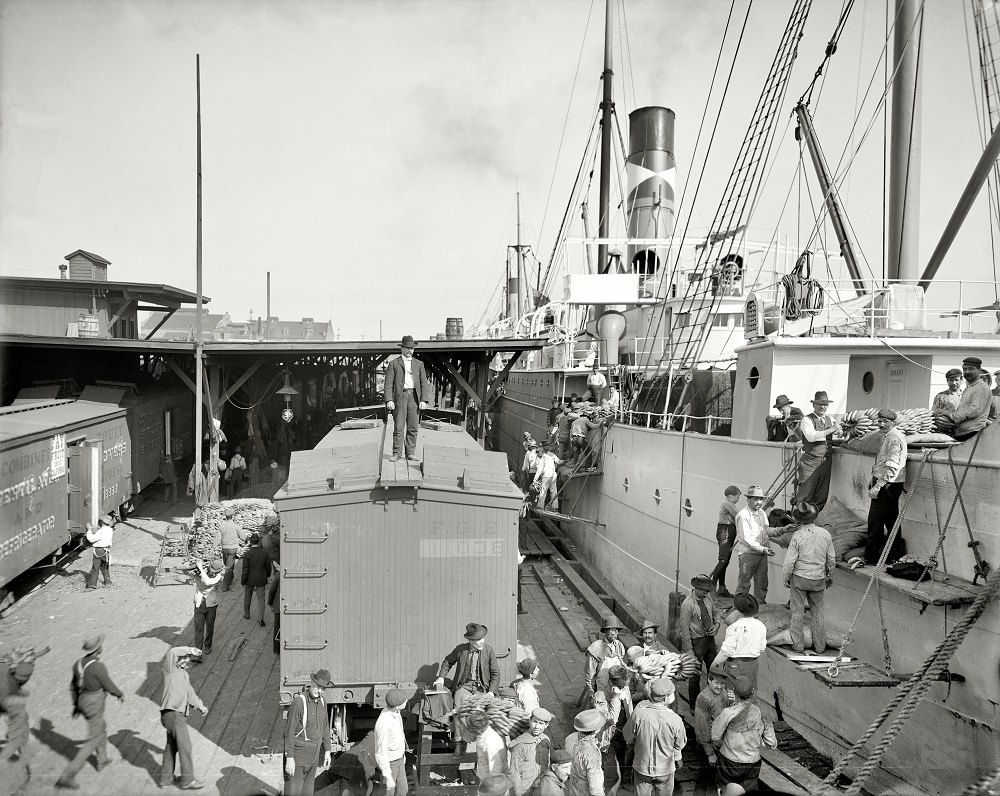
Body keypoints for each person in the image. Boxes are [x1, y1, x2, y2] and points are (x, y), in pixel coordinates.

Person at [56, 635, 124, 790]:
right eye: (100, 645)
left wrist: (76, 705)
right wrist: (119, 693)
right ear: (97, 650)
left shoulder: (78, 664)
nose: (102, 646)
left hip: (83, 700)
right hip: (94, 702)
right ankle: (67, 775)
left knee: (101, 727)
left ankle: (102, 759)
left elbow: (73, 686)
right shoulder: (98, 667)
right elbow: (108, 685)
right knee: (93, 738)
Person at [434, 623, 501, 753]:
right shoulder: (461, 650)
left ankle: (480, 748)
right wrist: (441, 677)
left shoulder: (488, 650)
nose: (482, 642)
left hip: (481, 688)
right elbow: (448, 662)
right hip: (463, 686)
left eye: (482, 638)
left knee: (479, 713)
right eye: (477, 640)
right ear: (470, 641)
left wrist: (491, 692)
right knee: (460, 710)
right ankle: (459, 742)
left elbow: (496, 673)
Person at [783, 502, 836, 653]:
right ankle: (820, 647)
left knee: (797, 612)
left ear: (799, 519)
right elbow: (831, 560)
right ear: (814, 516)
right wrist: (830, 577)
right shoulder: (825, 534)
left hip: (799, 578)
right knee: (818, 611)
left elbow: (789, 562)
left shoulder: (797, 535)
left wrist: (785, 578)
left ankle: (797, 645)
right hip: (818, 578)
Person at [710, 679, 777, 794]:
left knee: (725, 791)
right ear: (753, 693)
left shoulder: (728, 713)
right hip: (752, 763)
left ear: (734, 693)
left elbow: (715, 737)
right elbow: (771, 743)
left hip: (728, 762)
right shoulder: (762, 714)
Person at [622, 678, 686, 796]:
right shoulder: (676, 719)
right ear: (666, 698)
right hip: (665, 771)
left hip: (642, 769)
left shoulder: (639, 713)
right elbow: (679, 744)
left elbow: (627, 737)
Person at [157, 646, 208, 790]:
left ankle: (165, 779)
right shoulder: (170, 670)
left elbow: (190, 693)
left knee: (171, 746)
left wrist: (200, 705)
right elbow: (172, 652)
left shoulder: (183, 674)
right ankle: (188, 780)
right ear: (177, 660)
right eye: (185, 658)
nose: (188, 661)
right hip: (173, 714)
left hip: (173, 715)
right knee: (185, 746)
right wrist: (191, 650)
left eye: (188, 658)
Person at [863, 409, 908, 566]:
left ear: (893, 422)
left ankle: (872, 558)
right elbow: (883, 463)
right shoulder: (888, 436)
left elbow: (893, 468)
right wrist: (873, 478)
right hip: (887, 483)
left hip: (888, 485)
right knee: (891, 520)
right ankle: (894, 555)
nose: (881, 424)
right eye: (879, 421)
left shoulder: (894, 439)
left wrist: (878, 486)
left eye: (885, 422)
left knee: (875, 521)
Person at [734, 486, 790, 604]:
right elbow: (746, 540)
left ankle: (760, 608)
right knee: (744, 584)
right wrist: (763, 549)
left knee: (762, 583)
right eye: (755, 499)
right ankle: (738, 610)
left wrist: (782, 529)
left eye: (760, 499)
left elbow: (766, 531)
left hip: (762, 554)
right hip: (748, 555)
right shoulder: (743, 515)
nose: (759, 502)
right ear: (748, 499)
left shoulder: (762, 513)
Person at [285, 669, 334, 796]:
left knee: (307, 792)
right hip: (299, 756)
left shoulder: (322, 702)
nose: (320, 691)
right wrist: (289, 758)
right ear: (312, 682)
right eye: (318, 687)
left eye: (324, 689)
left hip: (314, 756)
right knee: (293, 791)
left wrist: (328, 750)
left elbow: (325, 727)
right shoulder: (299, 703)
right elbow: (289, 732)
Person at [384, 335, 432, 462]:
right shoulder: (393, 364)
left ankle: (410, 452)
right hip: (400, 397)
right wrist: (389, 400)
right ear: (402, 348)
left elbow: (424, 383)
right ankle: (396, 453)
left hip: (414, 398)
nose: (410, 351)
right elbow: (388, 384)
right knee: (399, 427)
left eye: (412, 348)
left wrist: (423, 400)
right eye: (408, 348)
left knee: (413, 427)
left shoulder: (419, 364)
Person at [679, 574, 721, 709]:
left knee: (713, 671)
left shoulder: (707, 598)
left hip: (709, 640)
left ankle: (712, 702)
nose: (706, 593)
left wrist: (717, 625)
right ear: (696, 588)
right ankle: (694, 705)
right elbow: (684, 629)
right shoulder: (687, 605)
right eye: (703, 590)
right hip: (696, 642)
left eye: (708, 591)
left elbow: (716, 613)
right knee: (694, 676)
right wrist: (689, 650)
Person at [794, 391, 840, 511]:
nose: (822, 407)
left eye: (825, 404)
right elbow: (811, 436)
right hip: (810, 462)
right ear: (814, 405)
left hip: (826, 462)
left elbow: (838, 433)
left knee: (821, 495)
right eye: (819, 404)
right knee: (805, 495)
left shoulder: (830, 419)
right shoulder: (807, 420)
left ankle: (814, 524)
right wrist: (831, 430)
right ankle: (801, 525)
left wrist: (841, 431)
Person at [711, 594, 767, 691]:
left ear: (737, 610)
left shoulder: (734, 627)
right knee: (750, 691)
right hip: (752, 664)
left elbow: (726, 651)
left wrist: (715, 662)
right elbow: (762, 648)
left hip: (735, 666)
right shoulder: (761, 626)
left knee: (732, 693)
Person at [937, 356, 993, 441]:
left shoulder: (982, 388)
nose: (967, 372)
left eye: (971, 369)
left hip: (973, 433)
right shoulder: (969, 388)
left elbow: (974, 410)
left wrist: (951, 415)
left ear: (979, 370)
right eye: (965, 369)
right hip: (962, 433)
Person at [693, 664, 730, 780]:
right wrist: (709, 753)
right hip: (708, 746)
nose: (720, 687)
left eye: (722, 683)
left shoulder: (723, 693)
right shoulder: (703, 698)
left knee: (716, 779)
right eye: (717, 683)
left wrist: (732, 702)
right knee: (705, 779)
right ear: (709, 680)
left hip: (719, 743)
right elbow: (701, 727)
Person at [508, 707, 553, 795]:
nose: (537, 726)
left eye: (541, 723)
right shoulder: (520, 744)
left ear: (546, 725)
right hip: (524, 790)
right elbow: (514, 773)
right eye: (535, 722)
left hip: (541, 787)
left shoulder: (545, 740)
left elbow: (547, 764)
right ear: (530, 720)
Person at [373, 688, 408, 796]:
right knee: (388, 792)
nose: (406, 702)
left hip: (399, 760)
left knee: (402, 790)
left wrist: (403, 756)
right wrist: (387, 776)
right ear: (397, 705)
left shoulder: (396, 713)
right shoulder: (384, 722)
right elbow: (380, 752)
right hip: (390, 763)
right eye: (404, 701)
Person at [583, 615, 626, 700]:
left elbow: (622, 665)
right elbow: (589, 673)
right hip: (601, 683)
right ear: (605, 631)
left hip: (616, 682)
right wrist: (591, 691)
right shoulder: (596, 648)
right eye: (611, 630)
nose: (613, 632)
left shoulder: (619, 646)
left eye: (616, 630)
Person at [710, 486, 741, 597]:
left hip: (729, 531)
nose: (738, 499)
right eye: (737, 497)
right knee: (723, 560)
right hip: (725, 531)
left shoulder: (730, 504)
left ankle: (722, 587)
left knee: (726, 561)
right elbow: (739, 516)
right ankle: (712, 586)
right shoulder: (727, 504)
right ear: (730, 496)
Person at [566, 709, 605, 796]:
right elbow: (595, 790)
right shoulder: (591, 754)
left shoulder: (570, 738)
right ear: (596, 730)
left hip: (573, 790)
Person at [191, 559, 224, 658]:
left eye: (215, 572)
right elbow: (188, 572)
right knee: (198, 628)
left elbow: (208, 582)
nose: (213, 573)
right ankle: (198, 651)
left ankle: (208, 645)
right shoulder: (202, 572)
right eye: (212, 571)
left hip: (211, 605)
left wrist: (200, 569)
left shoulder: (219, 577)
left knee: (210, 626)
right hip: (199, 603)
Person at [241, 533, 273, 627]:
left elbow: (245, 570)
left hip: (249, 579)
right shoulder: (264, 553)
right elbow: (268, 567)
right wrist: (266, 575)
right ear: (259, 541)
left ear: (250, 542)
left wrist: (243, 581)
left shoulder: (247, 554)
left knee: (248, 596)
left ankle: (247, 614)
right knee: (261, 599)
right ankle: (261, 618)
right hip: (260, 578)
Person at [466, 709, 507, 779]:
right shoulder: (483, 734)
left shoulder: (489, 742)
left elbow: (496, 766)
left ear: (476, 730)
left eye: (470, 728)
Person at [85, 514, 115, 590]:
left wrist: (89, 530)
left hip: (99, 550)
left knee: (95, 568)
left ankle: (92, 585)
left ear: (102, 522)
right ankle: (107, 582)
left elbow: (91, 539)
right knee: (105, 567)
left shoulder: (102, 531)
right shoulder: (110, 530)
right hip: (106, 551)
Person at [219, 506, 245, 592]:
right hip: (232, 549)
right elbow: (243, 536)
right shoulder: (235, 526)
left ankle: (231, 578)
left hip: (224, 549)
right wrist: (248, 540)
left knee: (227, 564)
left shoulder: (222, 526)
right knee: (229, 567)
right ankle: (225, 586)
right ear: (233, 516)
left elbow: (217, 537)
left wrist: (213, 547)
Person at [533, 442, 563, 511]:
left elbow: (539, 470)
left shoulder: (543, 457)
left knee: (543, 492)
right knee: (553, 492)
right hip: (553, 476)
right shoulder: (551, 455)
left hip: (547, 477)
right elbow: (558, 461)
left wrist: (535, 479)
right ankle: (554, 507)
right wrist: (566, 461)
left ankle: (540, 507)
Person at [268, 570, 281, 654]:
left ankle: (276, 649)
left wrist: (270, 602)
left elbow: (272, 590)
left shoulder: (278, 575)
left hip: (279, 606)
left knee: (277, 627)